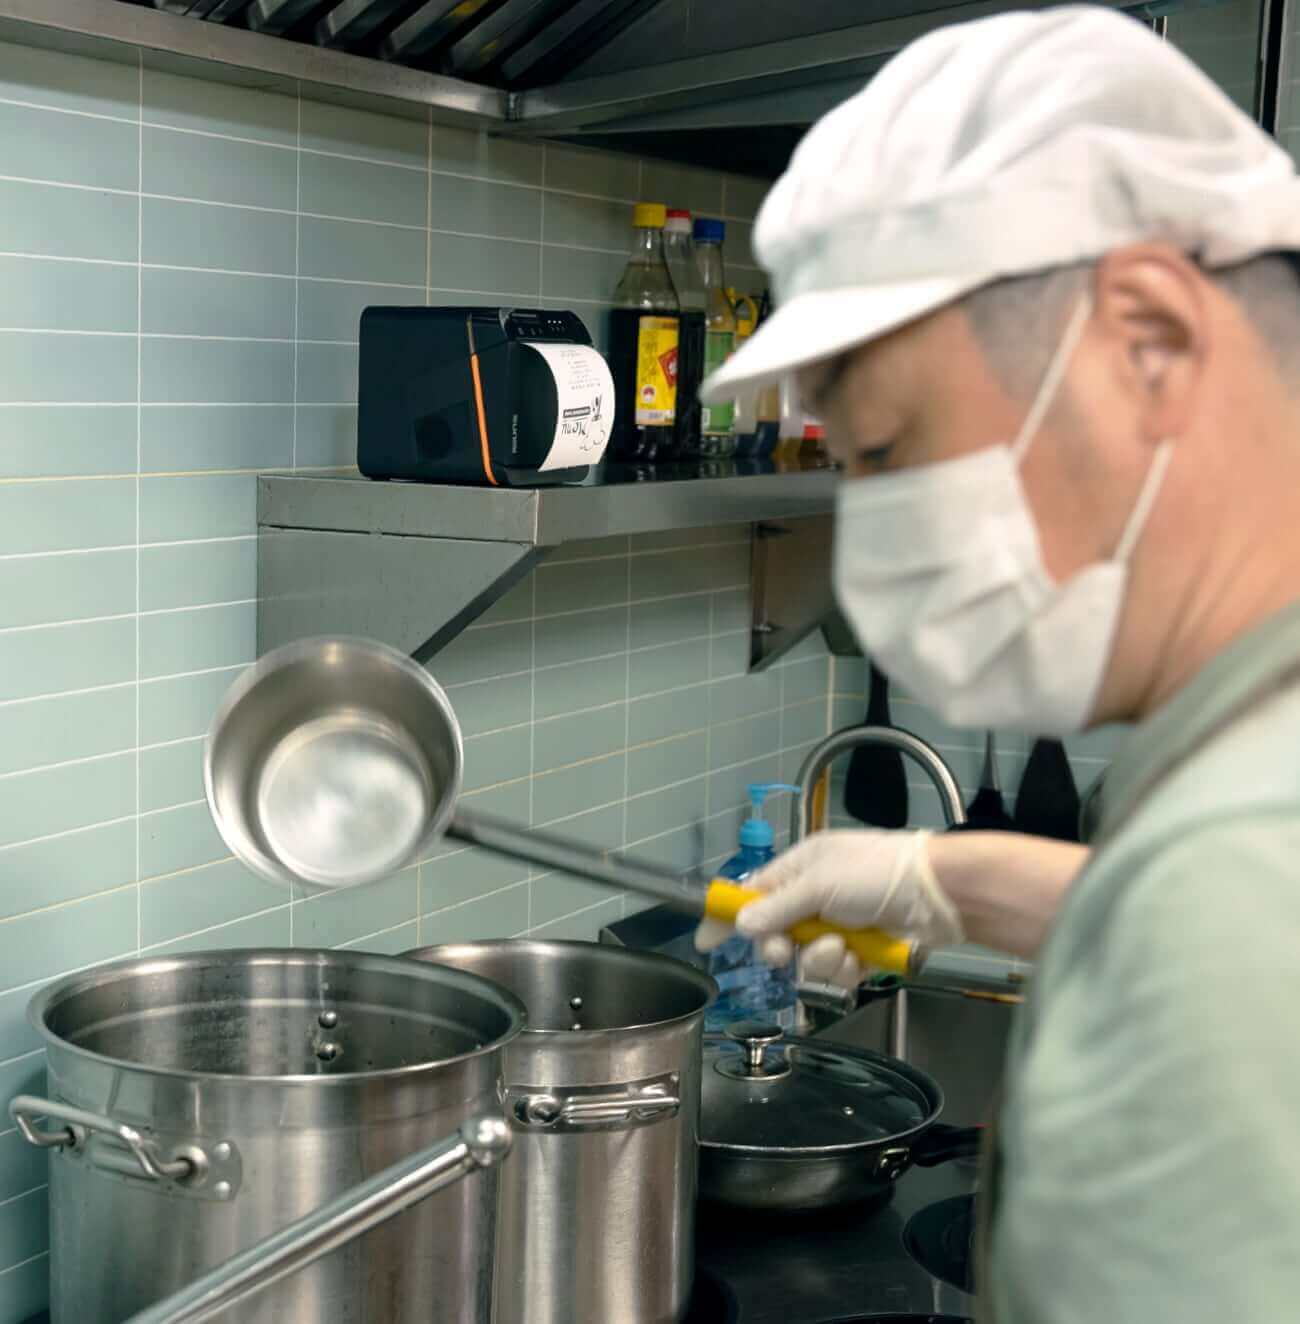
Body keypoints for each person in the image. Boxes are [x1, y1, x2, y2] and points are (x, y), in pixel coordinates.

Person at [694, 6, 1300, 1321]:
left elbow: (1224, 924)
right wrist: (940, 878)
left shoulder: (1240, 865)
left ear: (1151, 342)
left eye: (893, 452)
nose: (881, 539)